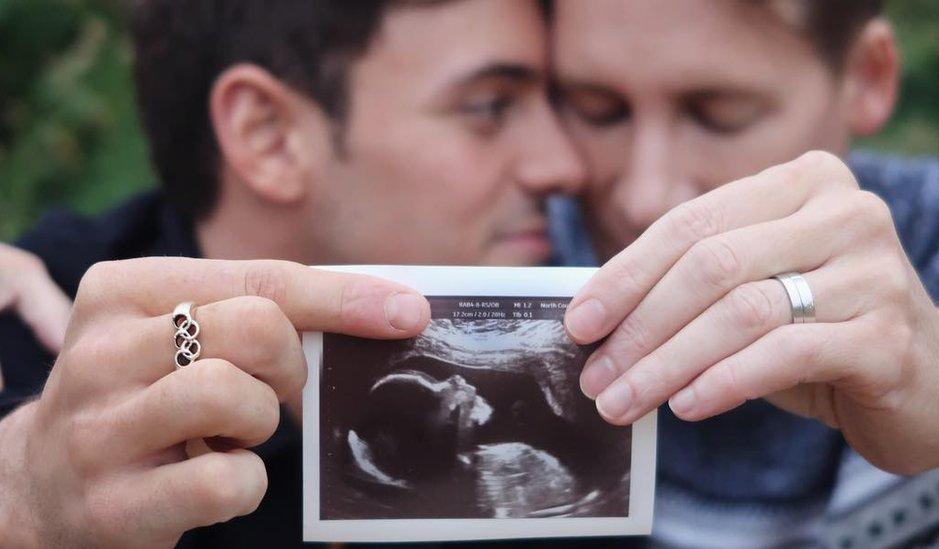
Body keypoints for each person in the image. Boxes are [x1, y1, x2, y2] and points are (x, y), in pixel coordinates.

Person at [0, 0, 585, 546]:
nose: (564, 165)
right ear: (270, 137)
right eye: (490, 107)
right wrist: (24, 504)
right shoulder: (38, 334)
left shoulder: (588, 321)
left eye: (562, 104)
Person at [551, 0, 939, 546]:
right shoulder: (503, 249)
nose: (643, 197)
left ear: (866, 77)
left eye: (718, 114)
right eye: (596, 110)